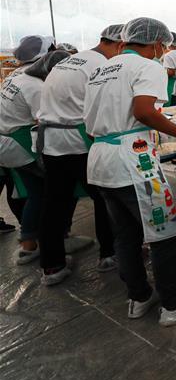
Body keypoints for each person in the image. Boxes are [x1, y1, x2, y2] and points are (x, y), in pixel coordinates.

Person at [83, 17, 176, 326]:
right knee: (163, 232)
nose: (162, 51)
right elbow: (143, 110)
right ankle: (173, 304)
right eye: (162, 47)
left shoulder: (103, 67)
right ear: (155, 43)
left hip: (100, 158)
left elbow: (92, 119)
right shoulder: (148, 66)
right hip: (133, 161)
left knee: (125, 234)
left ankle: (139, 297)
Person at [37, 25, 123, 286]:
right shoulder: (100, 66)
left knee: (54, 204)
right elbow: (107, 107)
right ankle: (109, 254)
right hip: (79, 141)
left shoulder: (72, 60)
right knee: (105, 197)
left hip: (52, 143)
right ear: (120, 45)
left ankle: (52, 266)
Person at [0, 35, 57, 264]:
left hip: (8, 143)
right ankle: (40, 240)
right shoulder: (35, 84)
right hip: (20, 144)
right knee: (44, 192)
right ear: (43, 57)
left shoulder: (15, 76)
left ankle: (30, 242)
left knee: (34, 192)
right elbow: (43, 119)